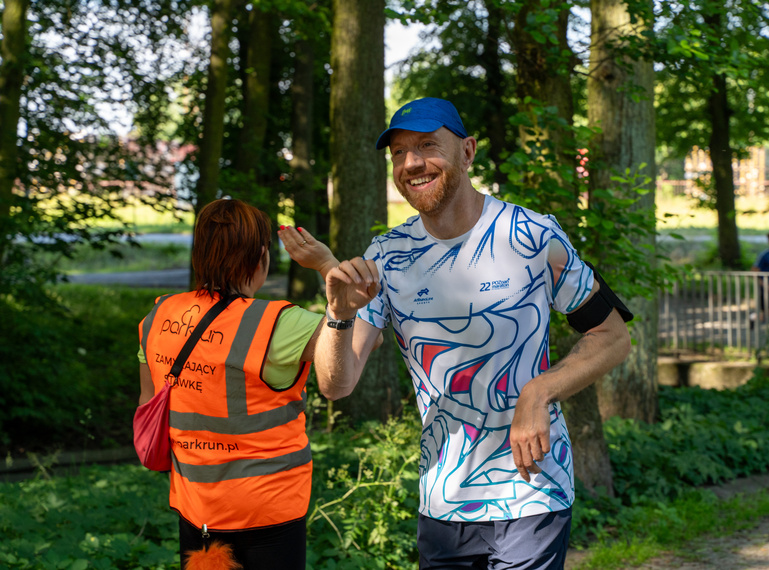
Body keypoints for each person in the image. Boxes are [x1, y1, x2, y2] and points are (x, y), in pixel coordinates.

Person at [313, 97, 633, 569]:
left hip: (532, 490)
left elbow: (613, 336)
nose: (411, 163)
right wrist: (338, 313)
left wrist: (538, 392)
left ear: (467, 152)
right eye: (398, 153)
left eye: (426, 146)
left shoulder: (533, 236)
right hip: (443, 498)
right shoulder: (386, 256)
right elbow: (335, 384)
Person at [137, 198, 376, 569]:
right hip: (269, 512)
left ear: (200, 252)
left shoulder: (159, 316)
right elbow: (365, 336)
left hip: (195, 508)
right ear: (262, 257)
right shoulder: (279, 323)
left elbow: (148, 401)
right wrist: (327, 266)